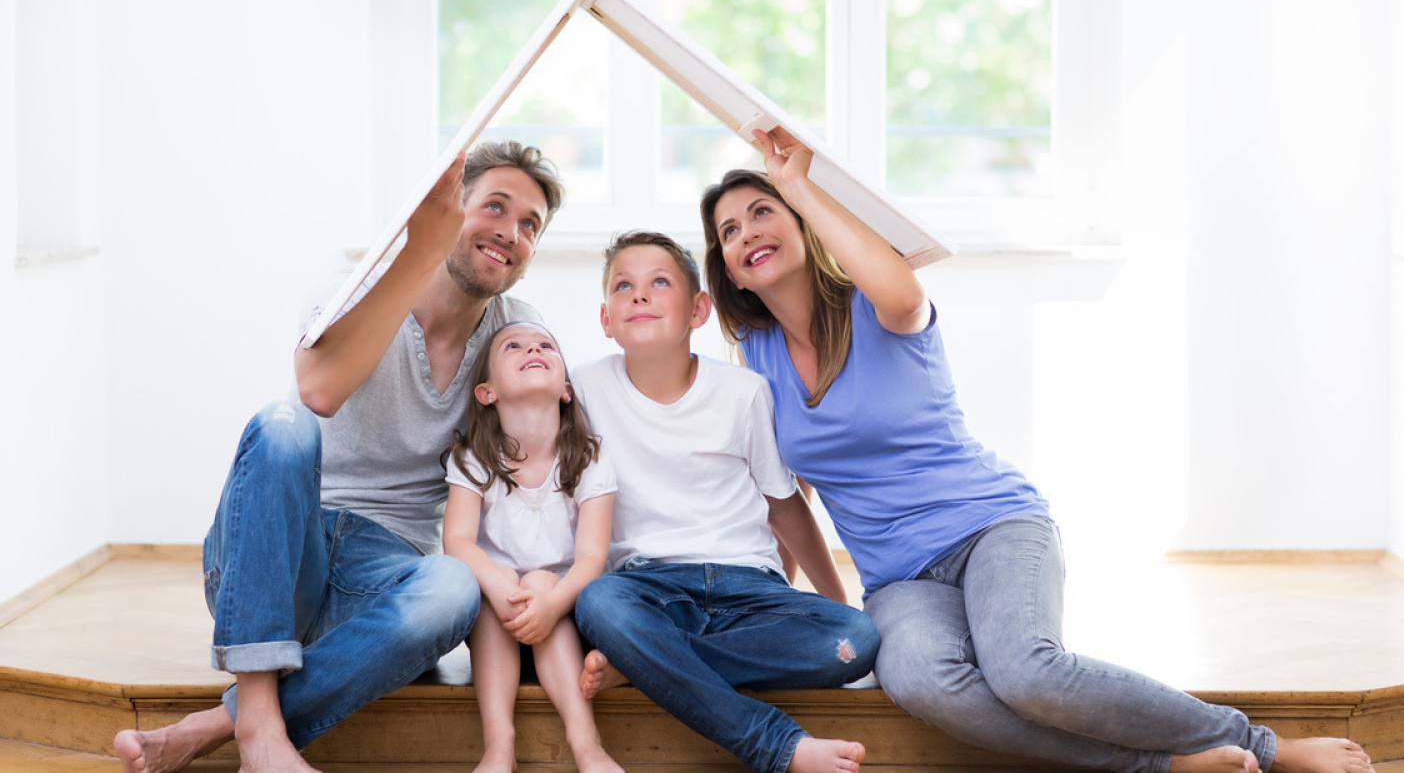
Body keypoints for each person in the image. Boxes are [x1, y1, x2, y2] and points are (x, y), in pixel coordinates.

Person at [696, 128, 1378, 773]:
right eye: (729, 231)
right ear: (729, 270)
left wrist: (801, 183)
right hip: (899, 581)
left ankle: (1264, 744)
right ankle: (1162, 763)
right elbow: (785, 498)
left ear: (801, 223)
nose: (748, 232)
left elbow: (905, 291)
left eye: (763, 211)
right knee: (923, 684)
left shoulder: (875, 302)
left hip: (993, 525)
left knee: (1024, 670)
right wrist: (791, 601)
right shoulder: (754, 363)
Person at [113, 141, 565, 773]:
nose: (508, 232)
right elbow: (318, 392)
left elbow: (536, 460)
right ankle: (263, 731)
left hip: (385, 576)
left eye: (529, 225)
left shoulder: (515, 331)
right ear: (447, 210)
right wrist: (421, 251)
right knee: (283, 424)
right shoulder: (350, 284)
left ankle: (223, 723)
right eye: (494, 207)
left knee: (455, 587)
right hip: (278, 555)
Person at [568, 231, 879, 773]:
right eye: (624, 286)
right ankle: (777, 745)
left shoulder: (743, 391)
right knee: (598, 604)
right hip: (647, 587)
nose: (639, 295)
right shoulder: (583, 389)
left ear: (698, 309)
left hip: (747, 586)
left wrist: (836, 601)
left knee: (855, 639)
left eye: (659, 282)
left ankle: (647, 661)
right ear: (605, 319)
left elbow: (785, 506)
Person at [442, 320, 622, 773]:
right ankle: (499, 744)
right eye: (514, 347)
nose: (532, 349)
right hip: (497, 620)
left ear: (565, 389)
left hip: (563, 615)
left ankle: (587, 745)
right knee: (494, 581)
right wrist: (501, 589)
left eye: (545, 345)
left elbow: (591, 559)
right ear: (487, 393)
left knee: (542, 579)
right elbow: (458, 541)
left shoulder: (588, 458)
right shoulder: (473, 458)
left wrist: (551, 602)